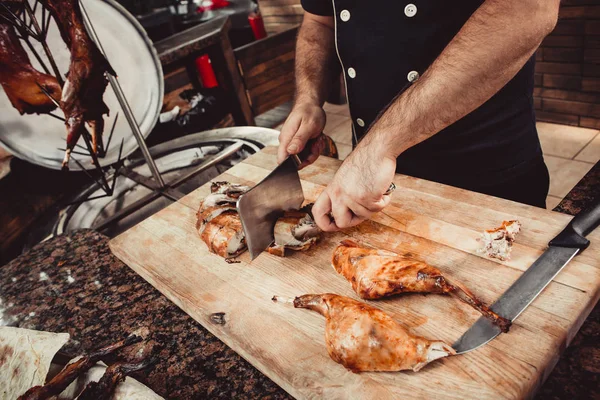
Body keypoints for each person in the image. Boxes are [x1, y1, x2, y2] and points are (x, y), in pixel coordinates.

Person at [277, 0, 560, 232]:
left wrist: (381, 145)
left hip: (482, 178)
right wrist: (309, 99)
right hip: (369, 179)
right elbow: (319, 21)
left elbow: (528, 10)